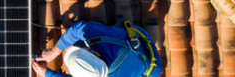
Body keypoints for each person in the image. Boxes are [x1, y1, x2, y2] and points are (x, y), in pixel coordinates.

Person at [32, 19, 161, 77]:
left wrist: (47, 71)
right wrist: (54, 53)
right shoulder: (101, 37)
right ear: (95, 53)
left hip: (150, 61)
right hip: (141, 40)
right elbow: (78, 28)